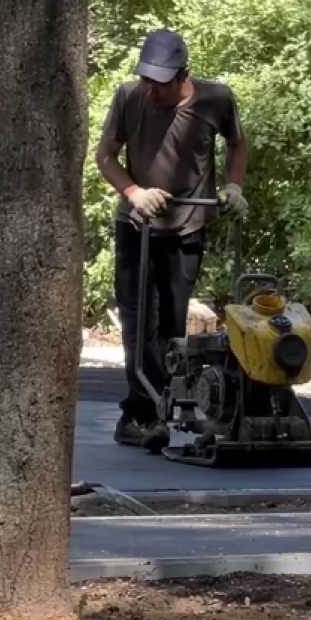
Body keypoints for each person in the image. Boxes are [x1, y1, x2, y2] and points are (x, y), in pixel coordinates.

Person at [94, 29, 249, 451]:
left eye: (159, 82)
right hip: (137, 226)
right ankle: (140, 415)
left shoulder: (215, 99)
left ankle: (174, 405)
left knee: (172, 323)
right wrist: (134, 192)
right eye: (146, 79)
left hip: (187, 225)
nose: (151, 89)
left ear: (184, 74)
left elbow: (236, 143)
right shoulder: (129, 97)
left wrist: (234, 187)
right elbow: (104, 155)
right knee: (139, 322)